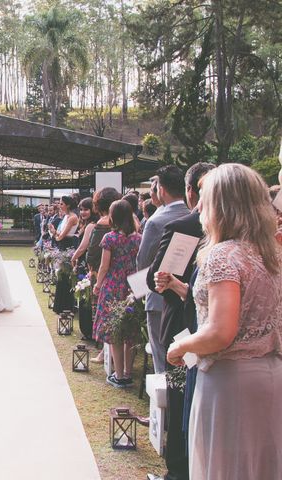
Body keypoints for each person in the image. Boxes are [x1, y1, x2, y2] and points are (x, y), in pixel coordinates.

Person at [165, 164, 282, 480]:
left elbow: (220, 332)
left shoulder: (224, 255)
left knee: (224, 468)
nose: (199, 206)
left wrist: (180, 346)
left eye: (205, 198)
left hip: (231, 380)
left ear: (223, 204)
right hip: (270, 374)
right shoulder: (270, 252)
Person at [146, 162, 215, 480]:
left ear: (193, 191)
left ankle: (179, 468)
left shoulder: (185, 227)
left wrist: (167, 281)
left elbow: (154, 277)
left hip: (183, 327)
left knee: (180, 392)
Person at [137, 165, 189, 374]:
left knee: (162, 358)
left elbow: (142, 262)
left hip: (159, 297)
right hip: (188, 296)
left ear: (162, 190)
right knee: (185, 357)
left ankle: (164, 404)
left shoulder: (156, 221)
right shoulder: (193, 216)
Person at [93, 200, 141, 387]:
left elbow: (104, 266)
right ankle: (128, 373)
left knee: (115, 331)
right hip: (132, 286)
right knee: (130, 331)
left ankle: (119, 375)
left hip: (113, 285)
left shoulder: (110, 238)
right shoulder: (138, 238)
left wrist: (97, 285)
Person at [86, 188, 120, 363]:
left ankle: (105, 353)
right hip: (126, 277)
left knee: (105, 316)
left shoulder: (102, 225)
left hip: (108, 277)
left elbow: (93, 253)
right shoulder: (131, 224)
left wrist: (95, 278)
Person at [71, 197, 99, 340]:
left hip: (85, 263)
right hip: (83, 262)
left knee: (86, 297)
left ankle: (88, 330)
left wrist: (73, 257)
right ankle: (87, 329)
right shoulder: (86, 224)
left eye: (86, 209)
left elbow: (83, 246)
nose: (82, 212)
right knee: (84, 296)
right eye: (81, 209)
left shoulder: (91, 225)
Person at [52, 196, 79, 314]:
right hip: (63, 245)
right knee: (61, 275)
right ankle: (60, 305)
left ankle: (66, 305)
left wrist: (54, 233)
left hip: (68, 246)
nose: (60, 206)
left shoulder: (72, 217)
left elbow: (61, 236)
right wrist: (55, 234)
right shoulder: (66, 217)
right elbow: (59, 236)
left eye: (62, 204)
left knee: (66, 275)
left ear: (67, 205)